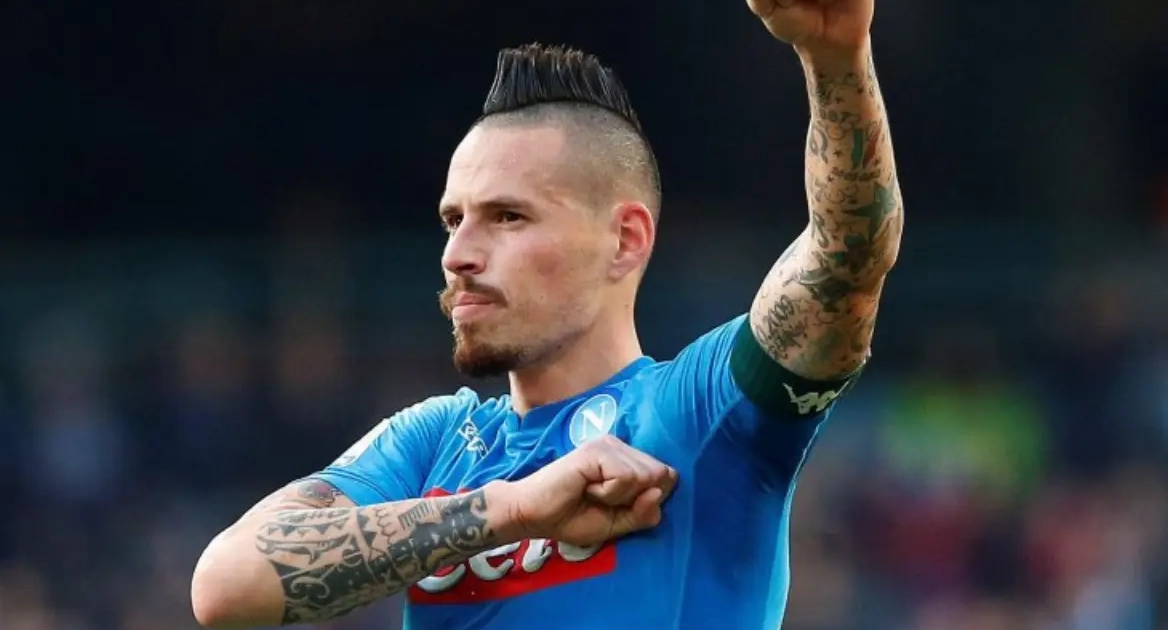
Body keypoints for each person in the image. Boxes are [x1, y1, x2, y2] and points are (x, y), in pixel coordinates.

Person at [191, 0, 902, 627]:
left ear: (625, 240)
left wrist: (836, 58)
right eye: (452, 221)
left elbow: (844, 261)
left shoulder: (693, 413)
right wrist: (515, 509)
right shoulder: (435, 442)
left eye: (507, 217)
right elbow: (226, 587)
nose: (457, 255)